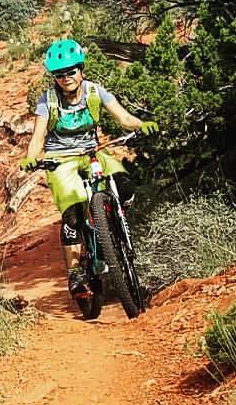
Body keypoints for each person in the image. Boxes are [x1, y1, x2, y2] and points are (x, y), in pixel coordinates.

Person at [20, 39, 157, 297]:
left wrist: (140, 125)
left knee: (124, 184)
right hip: (61, 160)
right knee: (72, 213)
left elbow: (123, 117)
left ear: (81, 69)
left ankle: (112, 220)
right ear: (54, 78)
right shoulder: (47, 100)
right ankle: (75, 272)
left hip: (93, 152)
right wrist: (31, 157)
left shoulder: (95, 91)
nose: (66, 78)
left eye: (71, 71)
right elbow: (38, 137)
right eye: (60, 74)